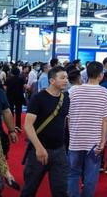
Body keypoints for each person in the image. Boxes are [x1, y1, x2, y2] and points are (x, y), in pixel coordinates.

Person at [67, 61, 107, 197]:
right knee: (91, 175)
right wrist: (103, 141)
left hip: (75, 140)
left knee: (72, 173)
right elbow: (106, 119)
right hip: (94, 142)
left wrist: (72, 135)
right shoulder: (106, 93)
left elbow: (68, 117)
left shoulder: (73, 91)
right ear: (101, 75)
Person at [22, 66, 70, 197]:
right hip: (38, 150)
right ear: (52, 81)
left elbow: (64, 122)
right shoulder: (38, 98)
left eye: (66, 77)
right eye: (62, 78)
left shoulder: (66, 98)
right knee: (30, 189)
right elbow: (28, 125)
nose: (66, 80)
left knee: (61, 190)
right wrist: (39, 148)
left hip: (59, 150)